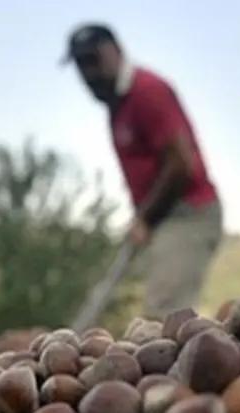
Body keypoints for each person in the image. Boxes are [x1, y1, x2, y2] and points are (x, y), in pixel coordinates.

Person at [63, 22, 224, 320]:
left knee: (165, 315)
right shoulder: (117, 107)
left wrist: (145, 218)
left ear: (117, 51)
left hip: (188, 213)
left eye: (93, 60)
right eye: (81, 65)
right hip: (161, 218)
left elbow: (180, 165)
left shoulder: (147, 91)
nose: (88, 74)